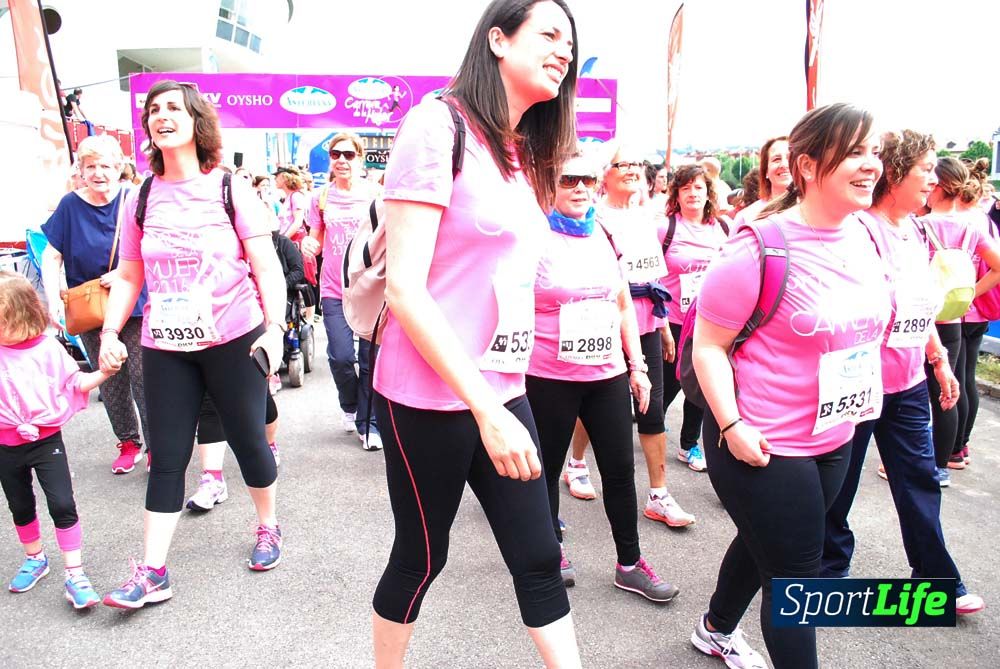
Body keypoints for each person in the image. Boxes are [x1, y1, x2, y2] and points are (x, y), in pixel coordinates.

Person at [371, 1, 582, 666]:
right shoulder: (435, 126)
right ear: (497, 38)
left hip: (502, 385)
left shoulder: (521, 153)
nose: (563, 51)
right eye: (549, 34)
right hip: (427, 396)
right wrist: (486, 410)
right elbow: (404, 288)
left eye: (569, 44)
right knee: (421, 557)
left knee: (539, 554)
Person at [691, 103, 891, 669]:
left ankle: (714, 629)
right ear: (807, 164)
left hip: (836, 433)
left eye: (874, 151)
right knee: (796, 581)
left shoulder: (868, 235)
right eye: (855, 151)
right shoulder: (758, 246)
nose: (871, 165)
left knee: (769, 548)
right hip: (765, 444)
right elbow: (709, 346)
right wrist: (730, 425)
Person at [97, 79, 287, 609]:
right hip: (166, 341)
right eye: (153, 110)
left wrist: (274, 327)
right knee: (168, 455)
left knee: (249, 438)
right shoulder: (141, 196)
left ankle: (268, 527)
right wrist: (111, 332)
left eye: (173, 109)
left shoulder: (229, 187)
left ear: (195, 121)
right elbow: (131, 273)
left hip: (234, 335)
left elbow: (265, 262)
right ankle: (153, 571)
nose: (161, 116)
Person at [820, 129, 987, 616]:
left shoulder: (917, 230)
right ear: (895, 173)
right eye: (925, 170)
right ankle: (830, 569)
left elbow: (918, 306)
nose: (933, 180)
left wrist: (938, 360)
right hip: (857, 380)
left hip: (909, 380)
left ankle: (937, 577)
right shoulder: (858, 230)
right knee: (841, 482)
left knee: (919, 478)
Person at [526, 152, 678, 602]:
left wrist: (639, 367)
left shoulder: (603, 233)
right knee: (546, 471)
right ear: (549, 185)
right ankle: (549, 552)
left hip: (605, 373)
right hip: (549, 375)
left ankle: (629, 564)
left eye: (586, 180)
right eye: (568, 179)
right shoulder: (534, 237)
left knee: (618, 470)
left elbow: (623, 304)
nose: (579, 188)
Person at [595, 144, 695, 527]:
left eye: (638, 163)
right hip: (604, 322)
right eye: (624, 164)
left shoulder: (647, 216)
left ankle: (659, 494)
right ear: (606, 174)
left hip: (648, 320)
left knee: (651, 408)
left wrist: (663, 327)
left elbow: (653, 276)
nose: (634, 170)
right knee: (598, 406)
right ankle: (575, 463)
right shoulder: (593, 214)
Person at [0, 272, 114, 609]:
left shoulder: (48, 348)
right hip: (6, 444)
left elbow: (75, 381)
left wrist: (105, 373)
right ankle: (35, 558)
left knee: (62, 503)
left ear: (20, 316)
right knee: (20, 505)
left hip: (45, 439)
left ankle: (75, 573)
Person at [41, 134, 151, 475]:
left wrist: (123, 272)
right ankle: (128, 442)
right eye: (91, 166)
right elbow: (51, 254)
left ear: (119, 168)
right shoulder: (70, 205)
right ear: (81, 171)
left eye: (105, 165)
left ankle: (158, 446)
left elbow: (155, 244)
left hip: (134, 300)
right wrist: (52, 301)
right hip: (89, 306)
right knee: (109, 375)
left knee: (143, 375)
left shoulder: (133, 199)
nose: (98, 172)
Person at [919, 156, 1000, 482]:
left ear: (936, 187)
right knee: (950, 391)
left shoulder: (920, 226)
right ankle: (944, 464)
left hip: (923, 321)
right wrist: (970, 293)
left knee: (915, 397)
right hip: (954, 317)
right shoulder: (972, 225)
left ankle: (912, 460)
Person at [301, 132, 382, 449]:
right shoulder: (320, 198)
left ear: (359, 159)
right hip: (334, 287)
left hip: (370, 288)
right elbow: (317, 239)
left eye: (349, 155)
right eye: (336, 155)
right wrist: (309, 243)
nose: (342, 160)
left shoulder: (377, 195)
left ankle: (369, 422)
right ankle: (350, 405)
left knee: (369, 359)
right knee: (339, 356)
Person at [659, 163, 728, 472]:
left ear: (708, 192)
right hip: (673, 319)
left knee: (700, 385)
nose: (692, 194)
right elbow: (652, 276)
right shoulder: (665, 228)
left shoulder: (724, 228)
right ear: (677, 194)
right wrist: (659, 325)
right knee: (665, 386)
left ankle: (689, 445)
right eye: (685, 188)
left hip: (708, 322)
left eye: (698, 187)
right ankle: (652, 428)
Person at [733, 136, 790, 227]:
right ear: (766, 171)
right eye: (776, 159)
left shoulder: (815, 213)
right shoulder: (747, 217)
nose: (784, 164)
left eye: (790, 158)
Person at [274, 166, 307, 242]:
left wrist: (283, 240)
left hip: (294, 242)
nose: (275, 179)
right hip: (289, 240)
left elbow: (298, 222)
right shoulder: (288, 197)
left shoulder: (296, 196)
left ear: (285, 178)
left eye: (277, 176)